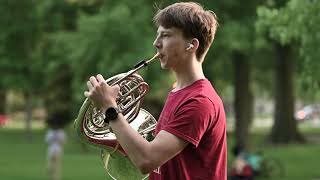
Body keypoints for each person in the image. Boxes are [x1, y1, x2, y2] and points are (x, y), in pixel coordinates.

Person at [84, 2, 227, 179]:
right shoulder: (178, 91)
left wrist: (109, 108)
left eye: (165, 35)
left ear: (191, 45)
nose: (156, 43)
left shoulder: (200, 101)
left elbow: (147, 160)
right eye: (157, 35)